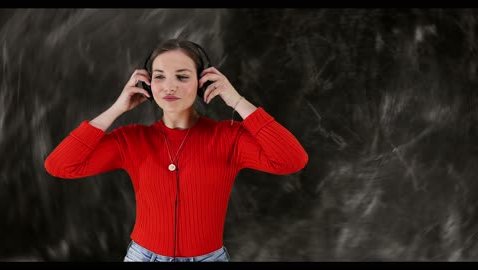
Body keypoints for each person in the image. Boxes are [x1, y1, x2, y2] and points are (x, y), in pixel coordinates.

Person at [44, 38, 308, 262]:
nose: (169, 87)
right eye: (159, 77)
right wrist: (117, 108)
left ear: (202, 83)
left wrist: (237, 101)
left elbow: (291, 160)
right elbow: (60, 165)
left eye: (182, 77)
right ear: (148, 85)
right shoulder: (132, 139)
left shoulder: (228, 137)